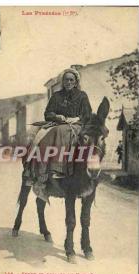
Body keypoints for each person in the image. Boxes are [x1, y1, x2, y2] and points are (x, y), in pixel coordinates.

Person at [23, 68, 92, 200]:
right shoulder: (56, 96)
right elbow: (48, 113)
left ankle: (85, 171)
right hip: (58, 124)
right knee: (41, 137)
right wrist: (58, 116)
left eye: (72, 80)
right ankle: (38, 170)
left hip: (77, 125)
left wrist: (77, 119)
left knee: (77, 136)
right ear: (62, 81)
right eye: (66, 80)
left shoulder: (82, 96)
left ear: (76, 81)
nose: (69, 82)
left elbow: (87, 114)